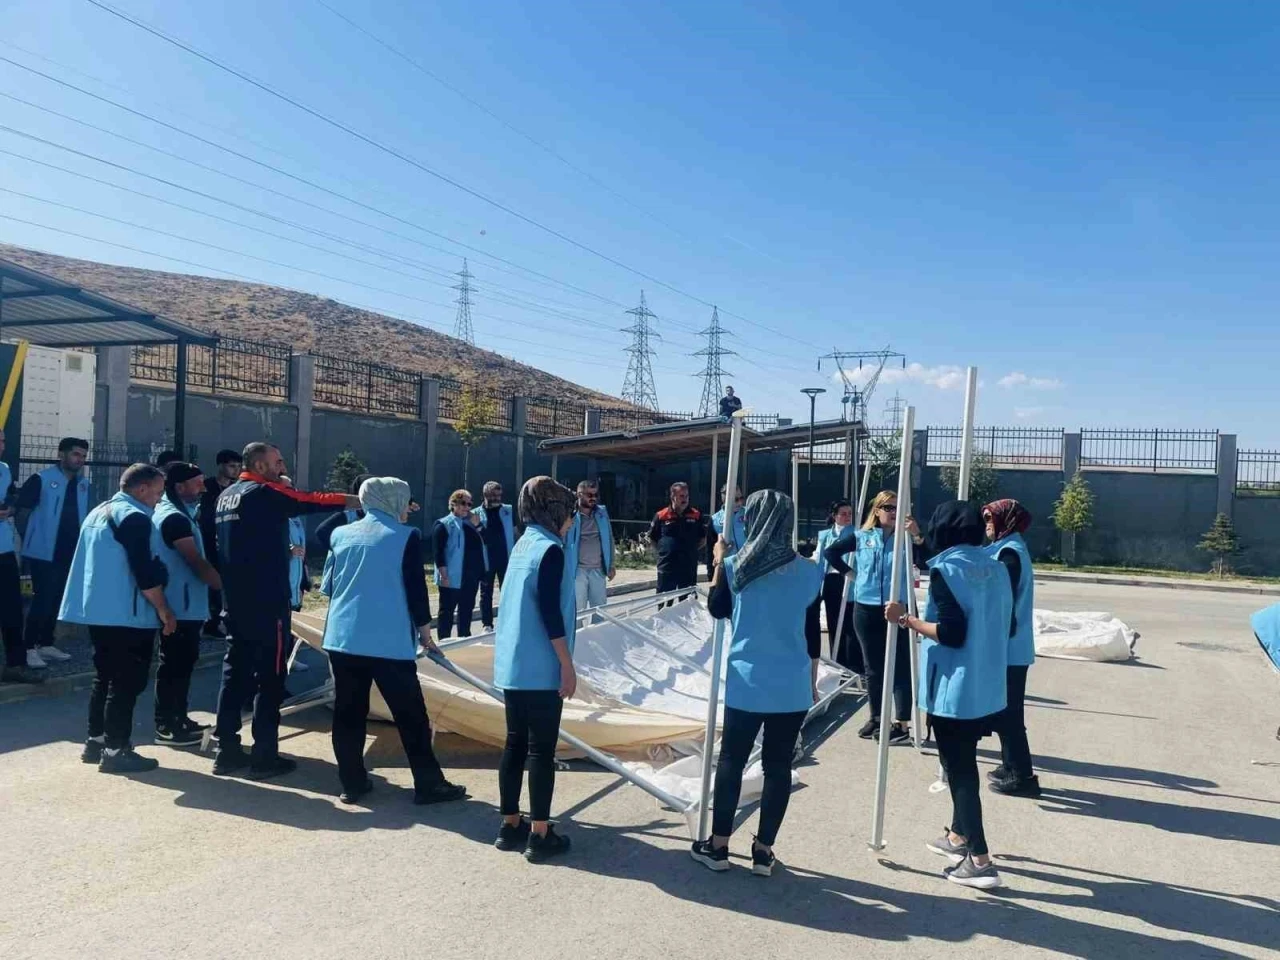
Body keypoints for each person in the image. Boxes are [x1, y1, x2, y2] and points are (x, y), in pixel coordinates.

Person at [691, 489, 822, 878]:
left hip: (748, 680)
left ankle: (718, 845)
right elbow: (811, 630)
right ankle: (763, 851)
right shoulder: (809, 572)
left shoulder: (737, 567)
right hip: (791, 682)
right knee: (777, 766)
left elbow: (717, 609)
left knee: (732, 760)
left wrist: (719, 561)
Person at [884, 500, 1013, 890]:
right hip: (987, 684)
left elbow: (952, 633)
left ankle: (980, 860)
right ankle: (958, 835)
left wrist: (906, 619)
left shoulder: (946, 570)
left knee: (960, 771)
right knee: (962, 762)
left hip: (955, 687)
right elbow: (1008, 624)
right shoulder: (997, 568)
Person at [212, 442, 357, 779]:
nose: (282, 468)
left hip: (236, 600)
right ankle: (265, 756)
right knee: (271, 679)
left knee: (234, 675)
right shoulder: (262, 493)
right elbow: (309, 500)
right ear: (260, 465)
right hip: (266, 602)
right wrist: (356, 500)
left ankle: (226, 751)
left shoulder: (227, 496)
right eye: (278, 462)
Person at [320, 476, 467, 806]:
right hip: (387, 642)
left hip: (343, 638)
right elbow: (416, 590)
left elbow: (330, 583)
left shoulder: (341, 534)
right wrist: (426, 634)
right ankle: (428, 784)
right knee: (411, 715)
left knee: (348, 713)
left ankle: (352, 783)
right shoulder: (405, 536)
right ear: (394, 499)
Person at [59, 463, 176, 773]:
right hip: (128, 613)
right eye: (158, 493)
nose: (159, 499)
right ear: (142, 489)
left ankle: (96, 742)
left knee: (105, 677)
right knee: (126, 683)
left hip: (99, 611)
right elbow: (144, 572)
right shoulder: (135, 517)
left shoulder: (99, 512)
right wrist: (164, 609)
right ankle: (116, 750)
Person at [492, 476, 579, 862]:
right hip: (541, 664)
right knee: (541, 750)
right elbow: (550, 612)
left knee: (514, 744)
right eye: (569, 513)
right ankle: (540, 833)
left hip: (513, 663)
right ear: (553, 510)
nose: (571, 521)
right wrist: (566, 664)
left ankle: (510, 823)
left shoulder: (523, 544)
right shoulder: (550, 550)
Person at [823, 490, 918, 743]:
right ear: (876, 511)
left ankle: (902, 722)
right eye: (888, 507)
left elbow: (929, 555)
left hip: (897, 607)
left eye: (898, 507)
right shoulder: (862, 536)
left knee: (900, 664)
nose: (894, 512)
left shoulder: (906, 538)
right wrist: (852, 575)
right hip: (865, 608)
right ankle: (876, 717)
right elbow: (831, 553)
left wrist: (917, 535)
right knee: (872, 667)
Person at [151, 463, 222, 745]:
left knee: (182, 663)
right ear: (179, 487)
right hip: (178, 604)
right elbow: (194, 561)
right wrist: (223, 585)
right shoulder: (174, 518)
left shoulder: (182, 513)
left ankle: (179, 717)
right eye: (197, 482)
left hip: (186, 602)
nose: (203, 488)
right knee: (174, 664)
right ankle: (167, 725)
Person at [982, 499, 1040, 798]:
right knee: (1005, 710)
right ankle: (1010, 765)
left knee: (1010, 714)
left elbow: (1004, 600)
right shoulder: (1008, 547)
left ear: (1006, 520)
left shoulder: (1010, 553)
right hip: (1011, 644)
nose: (987, 525)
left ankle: (1024, 776)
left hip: (1010, 647)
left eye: (990, 519)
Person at [16, 436, 89, 667]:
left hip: (70, 551)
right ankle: (28, 648)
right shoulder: (41, 479)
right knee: (43, 598)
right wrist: (32, 539)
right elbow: (22, 512)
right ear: (61, 454)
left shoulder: (83, 484)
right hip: (43, 552)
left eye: (83, 456)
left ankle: (46, 643)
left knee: (58, 598)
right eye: (76, 454)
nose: (80, 459)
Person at [0, 428, 41, 683]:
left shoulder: (4, 469)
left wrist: (11, 510)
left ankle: (15, 665)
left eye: (3, 441)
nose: (2, 446)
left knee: (12, 609)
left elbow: (12, 498)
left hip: (4, 550)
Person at [813, 499, 865, 675]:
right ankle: (837, 661)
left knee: (850, 624)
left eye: (850, 513)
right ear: (834, 516)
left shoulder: (856, 534)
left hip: (849, 581)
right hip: (831, 581)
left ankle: (854, 664)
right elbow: (819, 559)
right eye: (843, 514)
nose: (847, 517)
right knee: (834, 622)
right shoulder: (825, 535)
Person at [199, 448, 242, 640]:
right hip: (208, 541)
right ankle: (211, 622)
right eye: (232, 466)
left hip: (228, 543)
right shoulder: (207, 487)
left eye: (238, 466)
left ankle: (222, 620)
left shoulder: (237, 489)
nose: (236, 470)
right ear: (221, 465)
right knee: (213, 583)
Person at [433, 489, 487, 639]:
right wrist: (444, 575)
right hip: (451, 576)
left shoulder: (472, 524)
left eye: (469, 504)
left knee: (466, 611)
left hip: (470, 577)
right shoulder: (443, 524)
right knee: (447, 612)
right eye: (463, 503)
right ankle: (444, 640)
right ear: (453, 504)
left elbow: (487, 540)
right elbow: (438, 553)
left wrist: (478, 525)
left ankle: (464, 638)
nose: (467, 507)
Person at [648, 482, 705, 600]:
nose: (685, 499)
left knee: (688, 603)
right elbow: (652, 538)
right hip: (667, 566)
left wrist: (691, 550)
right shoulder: (661, 515)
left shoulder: (696, 515)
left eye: (687, 496)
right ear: (672, 497)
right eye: (681, 496)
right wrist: (664, 552)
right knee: (664, 602)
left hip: (688, 567)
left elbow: (703, 539)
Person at [565, 480, 615, 612]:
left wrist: (611, 565)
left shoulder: (601, 513)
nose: (593, 498)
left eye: (596, 495)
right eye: (589, 495)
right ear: (579, 494)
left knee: (600, 610)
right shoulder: (570, 514)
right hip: (578, 570)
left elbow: (609, 539)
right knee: (578, 610)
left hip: (598, 569)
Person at [475, 481, 517, 631]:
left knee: (508, 592)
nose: (497, 499)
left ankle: (508, 621)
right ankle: (487, 624)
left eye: (499, 495)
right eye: (493, 495)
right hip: (486, 559)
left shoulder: (508, 510)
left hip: (506, 557)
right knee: (486, 593)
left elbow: (515, 532)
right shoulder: (476, 513)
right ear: (485, 495)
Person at [706, 484, 747, 579]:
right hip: (726, 569)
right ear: (725, 500)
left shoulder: (749, 513)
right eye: (736, 499)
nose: (740, 502)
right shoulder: (715, 520)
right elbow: (710, 548)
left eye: (741, 498)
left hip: (747, 568)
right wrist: (711, 573)